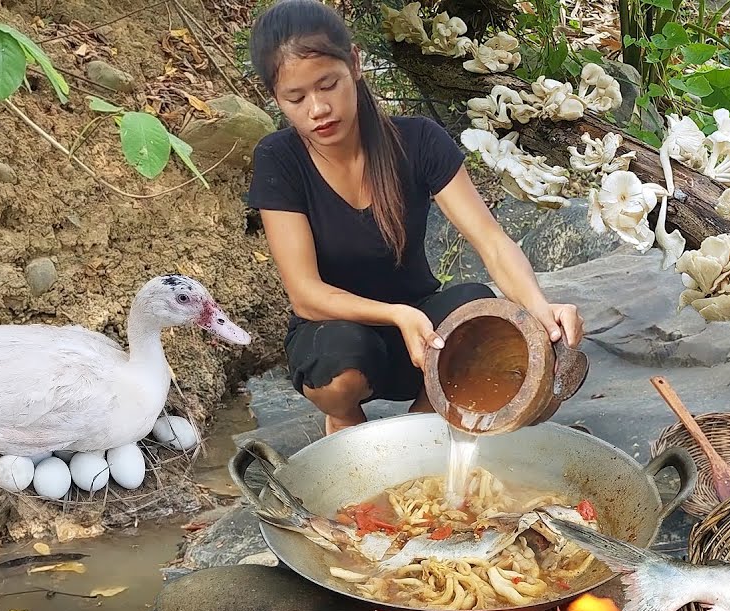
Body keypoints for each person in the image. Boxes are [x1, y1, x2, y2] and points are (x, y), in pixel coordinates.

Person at [245, 0, 584, 436]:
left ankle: (421, 427)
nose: (317, 109)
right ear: (276, 97)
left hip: (425, 336)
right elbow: (305, 293)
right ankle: (344, 417)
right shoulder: (280, 158)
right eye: (296, 98)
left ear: (355, 64)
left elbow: (491, 241)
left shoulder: (419, 140)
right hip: (336, 340)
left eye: (328, 85)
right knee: (342, 357)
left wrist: (540, 309)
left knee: (476, 301)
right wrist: (396, 315)